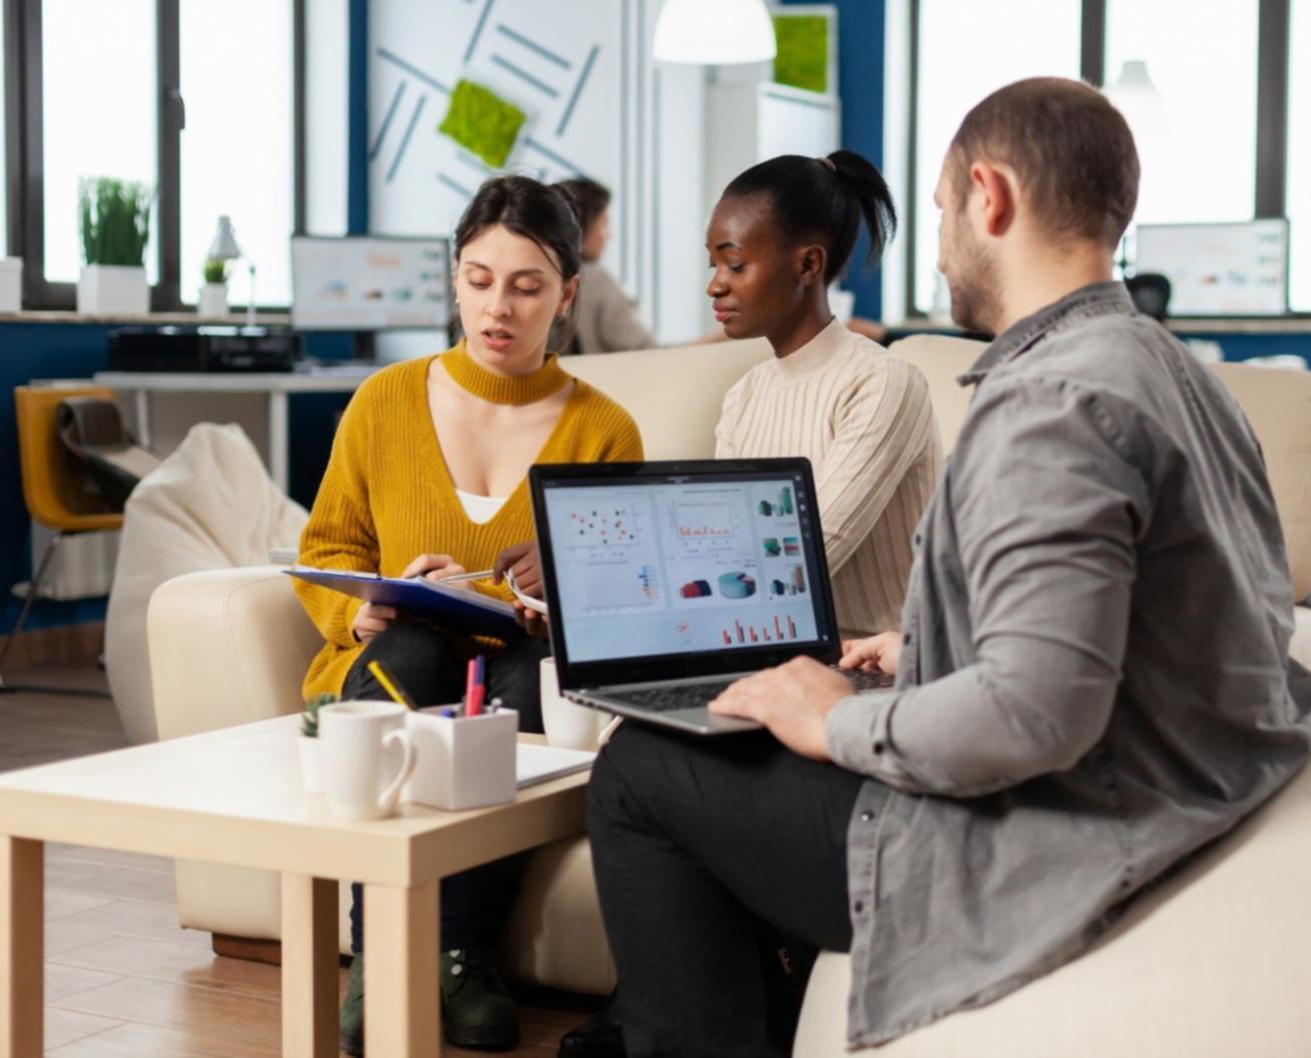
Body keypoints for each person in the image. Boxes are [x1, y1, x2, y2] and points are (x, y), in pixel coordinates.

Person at [583, 77, 1311, 1058]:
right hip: (1176, 776)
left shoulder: (1052, 402)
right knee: (733, 731)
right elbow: (1203, 610)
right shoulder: (1172, 367)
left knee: (639, 769)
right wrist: (930, 645)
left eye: (939, 213)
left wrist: (835, 716)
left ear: (990, 196)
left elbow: (1033, 714)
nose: (936, 248)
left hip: (1064, 829)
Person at [294, 173, 643, 1056]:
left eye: (528, 287)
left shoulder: (604, 430)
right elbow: (329, 550)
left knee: (522, 682)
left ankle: (461, 950)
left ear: (568, 296)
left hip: (515, 673)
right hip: (390, 663)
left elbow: (619, 596)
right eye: (481, 280)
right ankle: (377, 952)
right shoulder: (385, 401)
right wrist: (358, 615)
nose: (500, 309)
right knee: (413, 651)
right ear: (455, 278)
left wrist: (555, 599)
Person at [708, 150, 941, 639]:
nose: (714, 285)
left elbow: (805, 556)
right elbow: (722, 553)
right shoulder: (743, 398)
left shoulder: (881, 384)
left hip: (874, 667)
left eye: (734, 264)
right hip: (768, 652)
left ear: (808, 264)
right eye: (714, 265)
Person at [554, 177, 655, 354]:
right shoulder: (594, 278)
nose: (607, 235)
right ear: (582, 225)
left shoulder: (549, 276)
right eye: (604, 224)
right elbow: (644, 351)